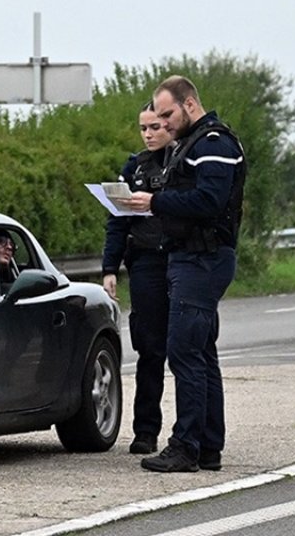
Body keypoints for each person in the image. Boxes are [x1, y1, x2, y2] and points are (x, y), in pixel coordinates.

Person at [125, 75, 246, 473]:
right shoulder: (194, 144)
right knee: (201, 352)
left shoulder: (213, 144)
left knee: (184, 353)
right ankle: (209, 445)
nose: (163, 122)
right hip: (192, 258)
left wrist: (156, 202)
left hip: (202, 259)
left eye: (167, 114)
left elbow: (209, 200)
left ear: (189, 104)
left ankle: (186, 446)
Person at [100, 102, 174, 455]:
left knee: (187, 348)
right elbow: (117, 221)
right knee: (149, 348)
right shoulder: (134, 168)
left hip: (181, 259)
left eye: (155, 127)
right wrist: (109, 268)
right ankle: (146, 430)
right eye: (143, 128)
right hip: (145, 263)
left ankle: (194, 431)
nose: (148, 134)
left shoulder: (183, 162)